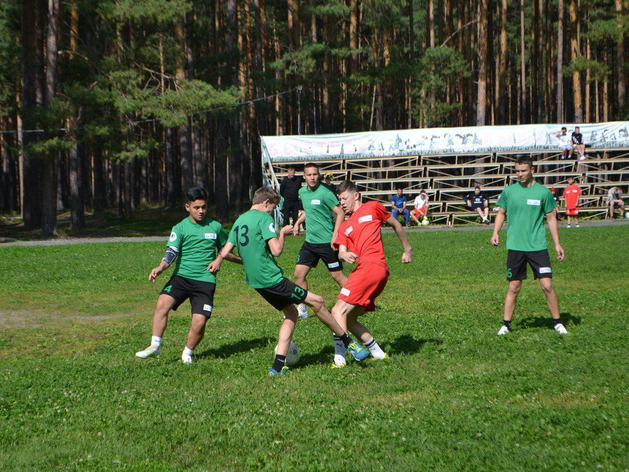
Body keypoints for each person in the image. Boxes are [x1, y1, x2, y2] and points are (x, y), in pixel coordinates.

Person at [209, 187, 369, 376]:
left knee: (292, 313)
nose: (272, 212)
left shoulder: (240, 220)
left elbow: (225, 253)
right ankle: (350, 344)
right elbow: (276, 251)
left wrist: (239, 260)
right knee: (317, 301)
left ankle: (277, 367)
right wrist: (282, 233)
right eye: (272, 208)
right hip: (271, 279)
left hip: (256, 282)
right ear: (266, 203)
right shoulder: (264, 219)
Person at [135, 187, 242, 364]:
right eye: (197, 208)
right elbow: (172, 251)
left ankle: (187, 353)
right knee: (162, 303)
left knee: (199, 322)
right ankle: (155, 345)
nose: (201, 211)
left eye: (204, 207)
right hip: (181, 277)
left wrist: (219, 260)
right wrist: (161, 267)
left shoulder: (215, 227)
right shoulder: (180, 228)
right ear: (187, 207)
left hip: (205, 280)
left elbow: (226, 248)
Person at [331, 181, 413, 367]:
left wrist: (407, 250)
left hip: (373, 268)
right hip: (367, 271)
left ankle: (340, 359)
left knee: (337, 311)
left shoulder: (373, 207)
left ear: (356, 195)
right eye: (339, 200)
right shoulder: (345, 225)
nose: (342, 202)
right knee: (349, 318)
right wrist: (343, 255)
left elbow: (396, 225)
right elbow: (341, 252)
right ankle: (378, 353)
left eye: (344, 198)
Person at [491, 156, 568, 336]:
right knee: (513, 287)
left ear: (532, 170)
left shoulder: (543, 192)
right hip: (516, 247)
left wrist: (557, 243)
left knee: (547, 286)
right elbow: (501, 213)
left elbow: (551, 218)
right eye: (517, 171)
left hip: (537, 247)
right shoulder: (509, 191)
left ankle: (557, 323)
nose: (520, 174)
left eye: (523, 170)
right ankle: (506, 325)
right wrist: (495, 232)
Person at [292, 163, 347, 319]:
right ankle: (302, 308)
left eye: (315, 174)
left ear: (319, 175)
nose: (312, 177)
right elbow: (308, 211)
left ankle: (358, 301)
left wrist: (335, 235)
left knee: (337, 276)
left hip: (326, 242)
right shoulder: (302, 192)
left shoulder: (325, 193)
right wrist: (297, 223)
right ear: (304, 176)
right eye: (309, 175)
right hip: (310, 242)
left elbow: (340, 213)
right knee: (298, 274)